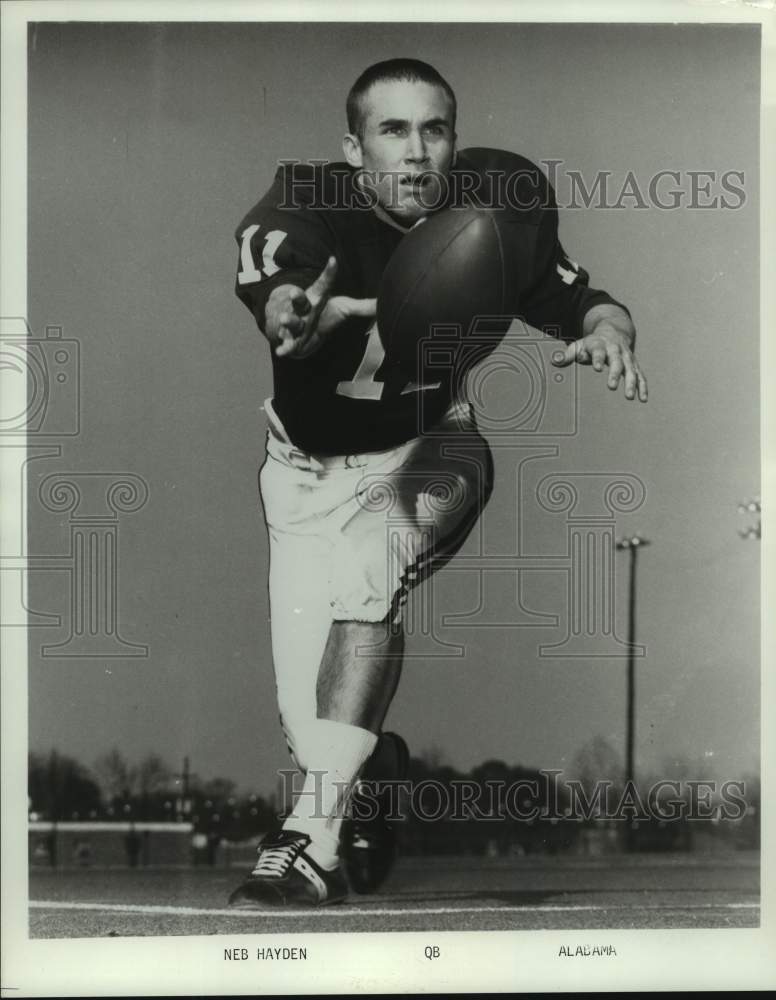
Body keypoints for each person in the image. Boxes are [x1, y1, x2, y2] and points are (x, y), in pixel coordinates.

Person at [228, 58, 648, 909]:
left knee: (366, 578)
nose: (417, 153)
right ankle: (371, 773)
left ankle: (307, 845)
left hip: (430, 451)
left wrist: (611, 333)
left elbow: (585, 299)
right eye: (392, 131)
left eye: (434, 129)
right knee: (314, 728)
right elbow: (275, 286)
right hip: (304, 476)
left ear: (453, 137)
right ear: (353, 147)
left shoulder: (493, 208)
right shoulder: (301, 208)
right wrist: (289, 311)